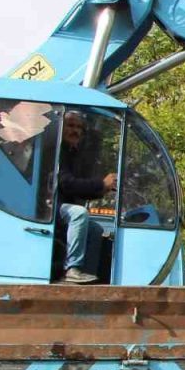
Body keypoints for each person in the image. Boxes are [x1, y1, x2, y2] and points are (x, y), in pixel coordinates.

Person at [57, 111, 116, 284]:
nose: (75, 130)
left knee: (95, 229)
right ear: (61, 127)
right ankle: (72, 268)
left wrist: (102, 190)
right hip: (49, 207)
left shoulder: (73, 154)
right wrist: (100, 184)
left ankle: (87, 273)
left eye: (79, 127)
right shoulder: (56, 151)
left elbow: (78, 189)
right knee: (79, 214)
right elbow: (66, 183)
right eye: (70, 125)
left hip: (62, 205)